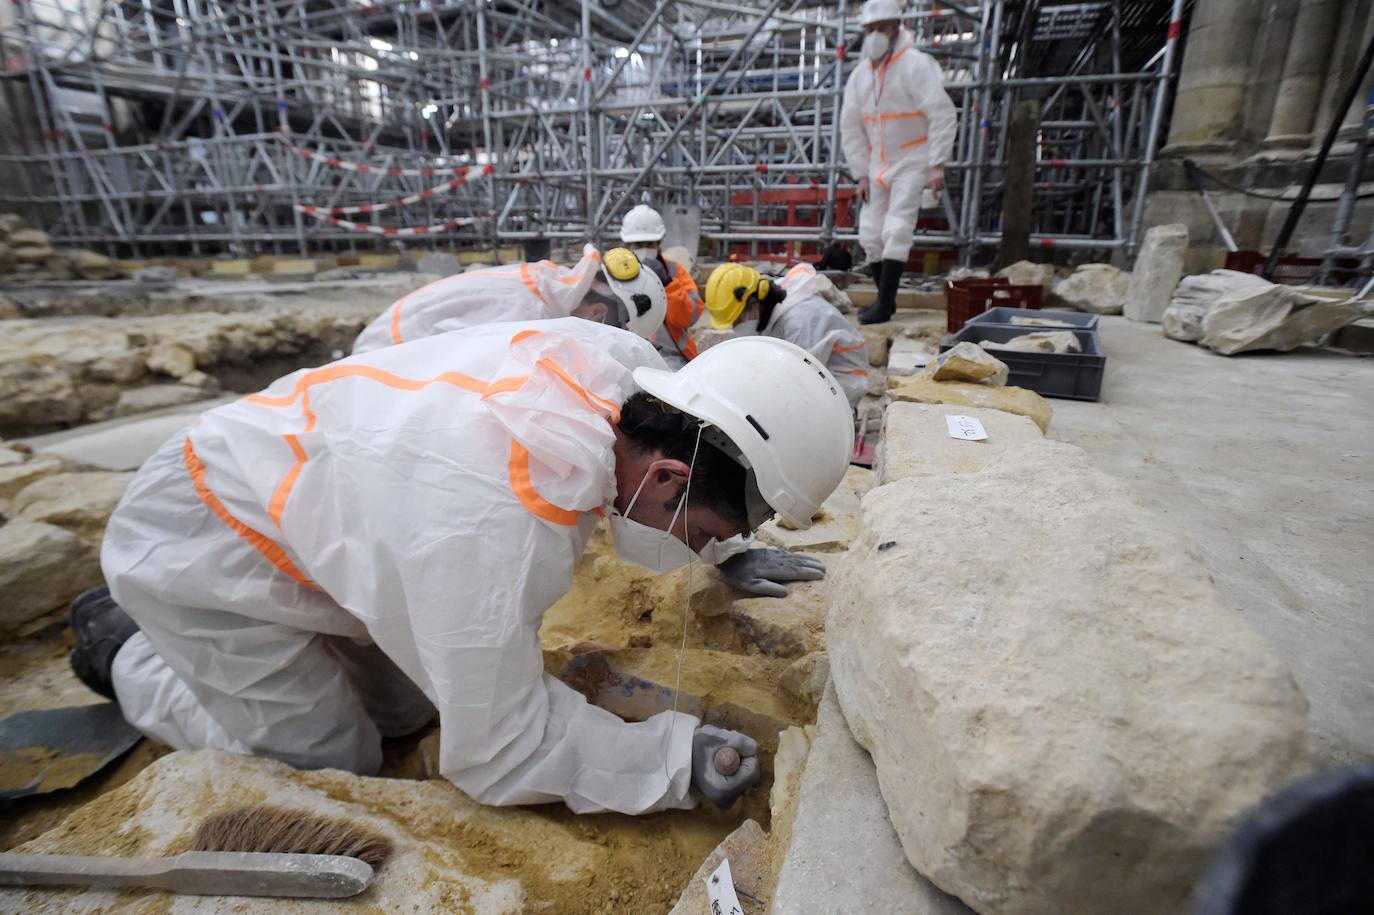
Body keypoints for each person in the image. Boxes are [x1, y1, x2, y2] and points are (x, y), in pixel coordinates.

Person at [72, 318, 853, 816]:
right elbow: (498, 749)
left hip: (332, 506)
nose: (697, 549)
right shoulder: (494, 520)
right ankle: (127, 652)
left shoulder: (627, 378)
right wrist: (669, 761)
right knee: (334, 758)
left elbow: (712, 458)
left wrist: (732, 548)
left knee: (409, 711)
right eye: (704, 532)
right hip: (208, 540)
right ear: (670, 482)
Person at [841, 0, 957, 325]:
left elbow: (942, 112)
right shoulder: (860, 76)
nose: (875, 35)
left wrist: (937, 164)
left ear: (895, 27)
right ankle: (884, 300)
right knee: (870, 233)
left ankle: (885, 303)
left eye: (882, 28)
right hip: (878, 163)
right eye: (870, 29)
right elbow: (851, 126)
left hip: (912, 157)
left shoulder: (915, 65)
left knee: (896, 227)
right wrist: (860, 173)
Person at [352, 246, 667, 354]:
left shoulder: (543, 286)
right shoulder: (530, 314)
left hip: (392, 351)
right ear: (598, 315)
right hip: (381, 362)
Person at [703, 261, 869, 412]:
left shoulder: (800, 321)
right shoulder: (770, 309)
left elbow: (799, 383)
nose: (736, 327)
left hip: (839, 389)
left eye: (737, 320)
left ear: (754, 303)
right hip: (809, 378)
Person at [620, 204, 703, 367]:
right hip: (631, 354)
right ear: (627, 246)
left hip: (674, 355)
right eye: (638, 244)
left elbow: (690, 317)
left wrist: (667, 284)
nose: (644, 250)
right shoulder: (616, 276)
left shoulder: (674, 271)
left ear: (659, 243)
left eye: (649, 244)